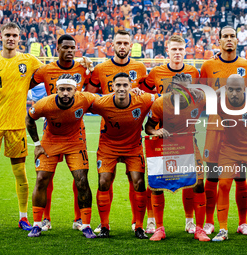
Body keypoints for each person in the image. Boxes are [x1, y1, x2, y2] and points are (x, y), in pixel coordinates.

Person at [0, 22, 43, 231]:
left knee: (20, 172)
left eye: (14, 35)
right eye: (7, 35)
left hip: (16, 125)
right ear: (0, 37)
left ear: (19, 38)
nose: (11, 38)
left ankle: (23, 218)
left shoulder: (29, 61)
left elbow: (49, 72)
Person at [200, 26, 247, 236]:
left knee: (240, 177)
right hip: (216, 128)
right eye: (224, 36)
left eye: (232, 36)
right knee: (213, 177)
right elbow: (202, 97)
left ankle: (242, 223)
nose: (228, 40)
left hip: (241, 130)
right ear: (219, 41)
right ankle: (209, 222)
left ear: (237, 40)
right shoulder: (208, 66)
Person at [30, 34, 93, 231]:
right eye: (66, 47)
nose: (70, 51)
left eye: (73, 48)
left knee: (80, 177)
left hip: (76, 132)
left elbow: (95, 86)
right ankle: (44, 219)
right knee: (45, 178)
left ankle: (79, 220)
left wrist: (91, 67)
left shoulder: (83, 67)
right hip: (51, 130)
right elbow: (26, 84)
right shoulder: (46, 69)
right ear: (57, 48)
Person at [86, 30, 147, 233]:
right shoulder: (101, 68)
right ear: (112, 44)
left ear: (131, 45)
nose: (122, 46)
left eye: (125, 43)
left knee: (136, 180)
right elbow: (89, 96)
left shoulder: (140, 68)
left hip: (133, 135)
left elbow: (148, 96)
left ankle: (136, 223)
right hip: (108, 133)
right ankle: (103, 224)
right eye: (118, 42)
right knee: (105, 179)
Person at [142, 35, 199, 234]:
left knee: (192, 179)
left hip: (186, 137)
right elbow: (145, 95)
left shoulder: (193, 72)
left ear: (185, 51)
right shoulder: (156, 72)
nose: (177, 52)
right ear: (168, 50)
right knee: (155, 180)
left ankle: (190, 221)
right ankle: (152, 221)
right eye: (173, 49)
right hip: (161, 136)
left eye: (180, 49)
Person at [90, 72, 157, 239]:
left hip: (133, 147)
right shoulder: (102, 102)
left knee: (139, 182)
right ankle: (104, 226)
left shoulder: (143, 99)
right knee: (104, 181)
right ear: (112, 87)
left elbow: (162, 100)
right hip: (108, 148)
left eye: (125, 85)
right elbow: (80, 102)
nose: (121, 88)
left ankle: (139, 227)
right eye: (118, 85)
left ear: (131, 86)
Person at [145, 73, 210, 242]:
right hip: (165, 147)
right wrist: (155, 131)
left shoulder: (199, 99)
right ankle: (159, 228)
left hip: (188, 145)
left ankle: (200, 229)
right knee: (156, 185)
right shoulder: (160, 103)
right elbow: (148, 127)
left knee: (199, 183)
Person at [211, 74, 247, 242]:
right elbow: (198, 101)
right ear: (226, 90)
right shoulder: (219, 100)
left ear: (244, 89)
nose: (234, 93)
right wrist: (215, 94)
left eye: (238, 89)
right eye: (230, 89)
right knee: (223, 184)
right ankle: (222, 230)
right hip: (229, 149)